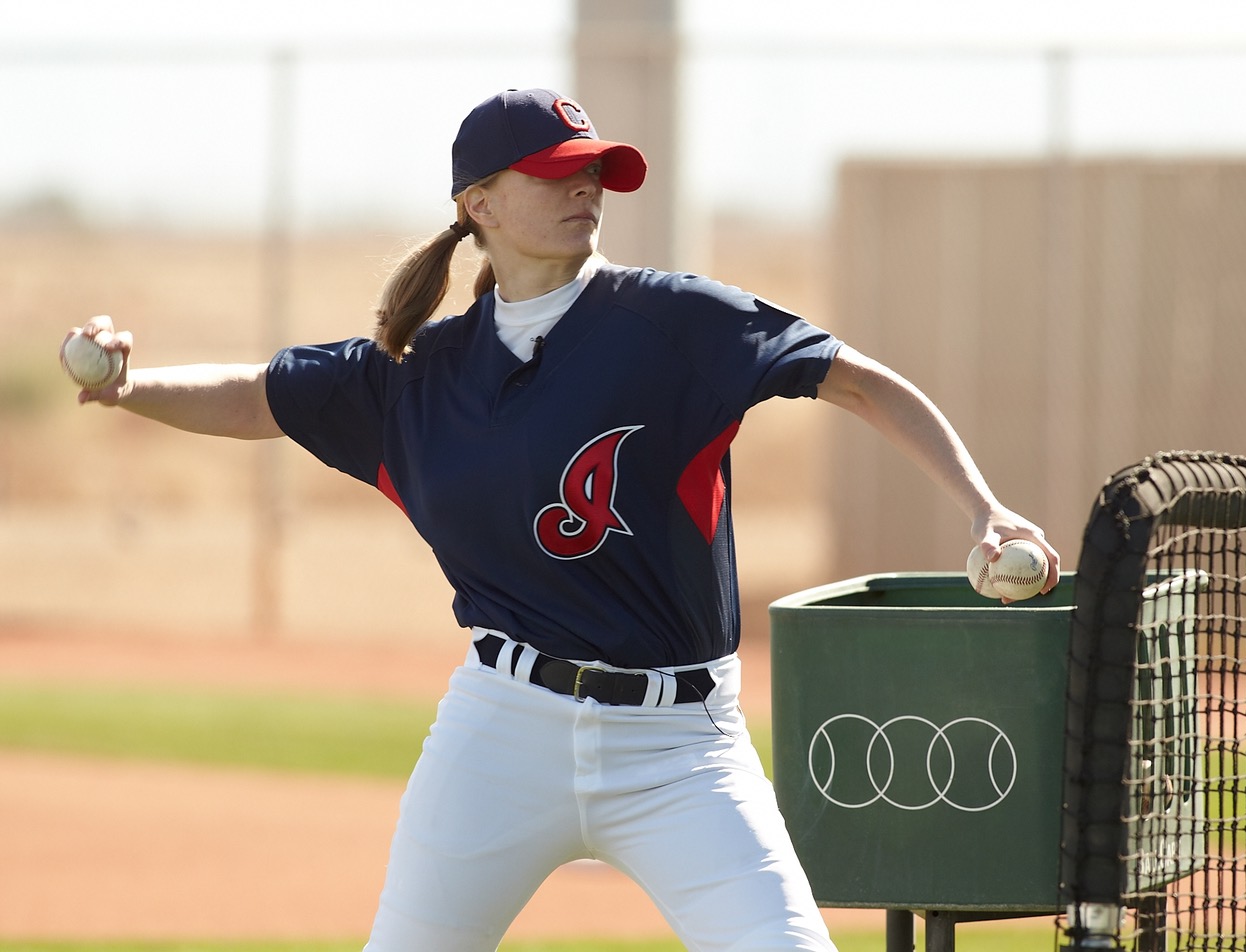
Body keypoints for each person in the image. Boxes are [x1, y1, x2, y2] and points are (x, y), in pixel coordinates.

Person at [65, 87, 1060, 951]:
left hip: (680, 748)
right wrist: (126, 385)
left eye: (593, 170)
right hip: (501, 730)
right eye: (555, 172)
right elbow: (256, 396)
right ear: (479, 204)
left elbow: (861, 384)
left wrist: (983, 506)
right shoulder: (416, 376)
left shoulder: (675, 324)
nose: (584, 186)